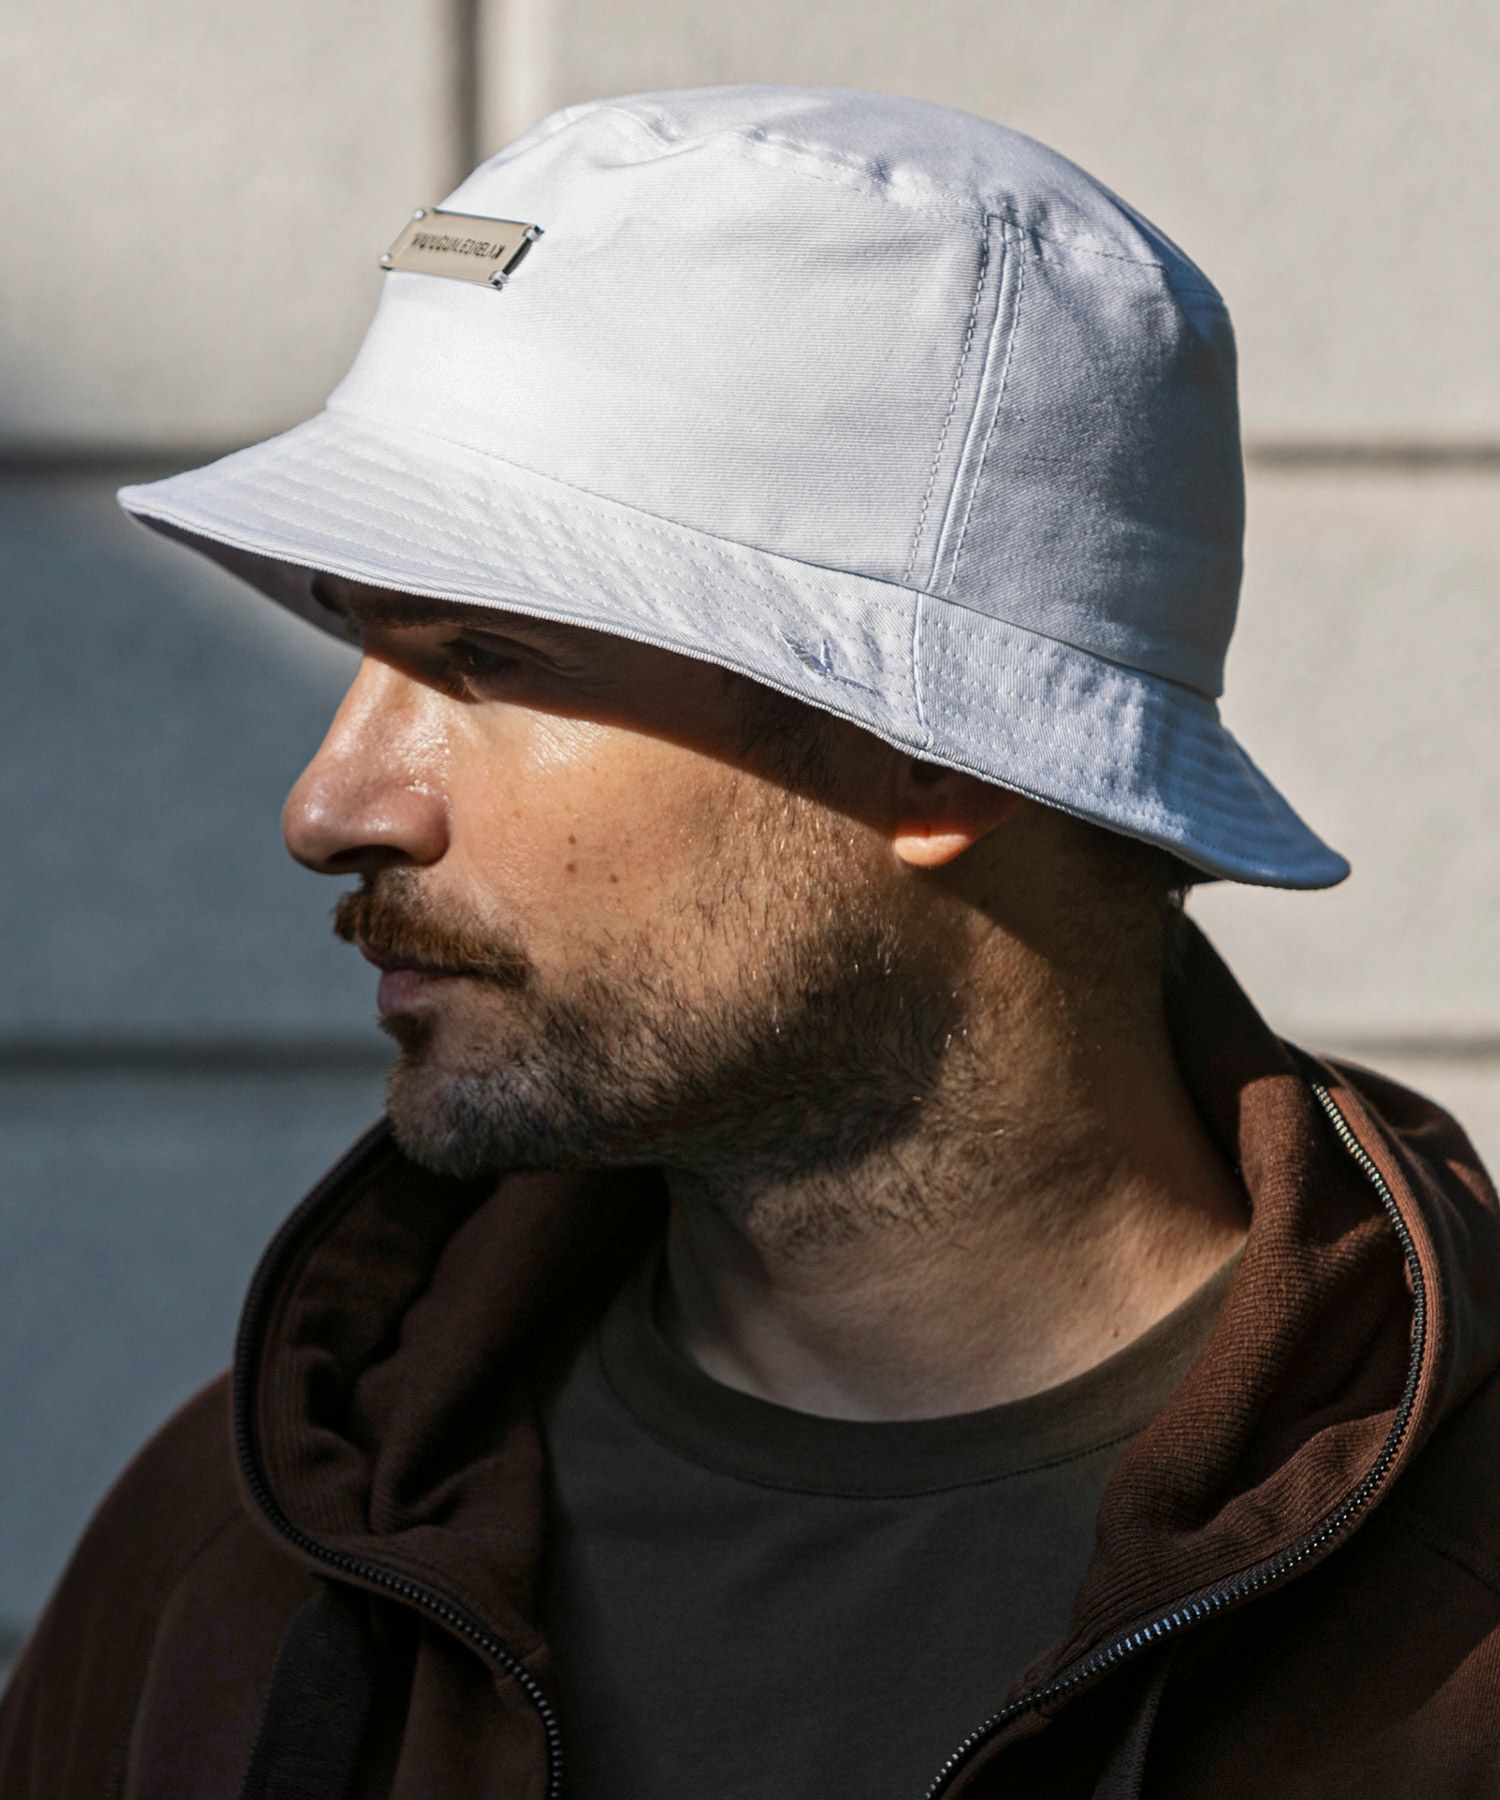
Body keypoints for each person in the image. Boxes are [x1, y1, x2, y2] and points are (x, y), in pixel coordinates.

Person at [4, 83, 1498, 1800]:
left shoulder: (1454, 1643)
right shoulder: (243, 1566)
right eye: (364, 644)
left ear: (938, 755)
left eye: (490, 656)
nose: (333, 802)